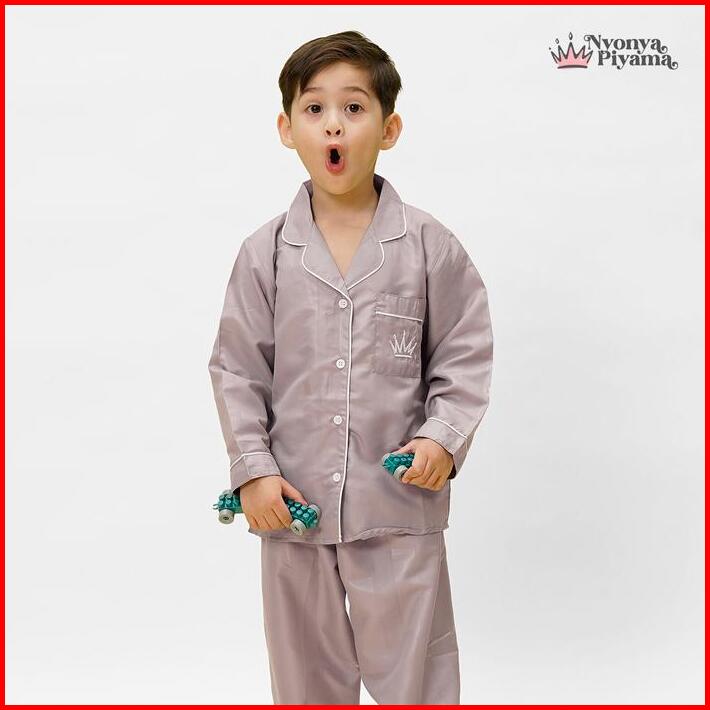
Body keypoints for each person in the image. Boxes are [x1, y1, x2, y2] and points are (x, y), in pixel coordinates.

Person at [207, 29, 494, 705]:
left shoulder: (429, 246)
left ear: (389, 128)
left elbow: (463, 352)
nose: (333, 124)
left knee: (416, 677)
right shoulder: (264, 254)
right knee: (303, 677)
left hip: (399, 504)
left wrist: (441, 439)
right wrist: (254, 471)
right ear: (287, 129)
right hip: (293, 508)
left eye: (354, 107)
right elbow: (238, 370)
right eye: (315, 108)